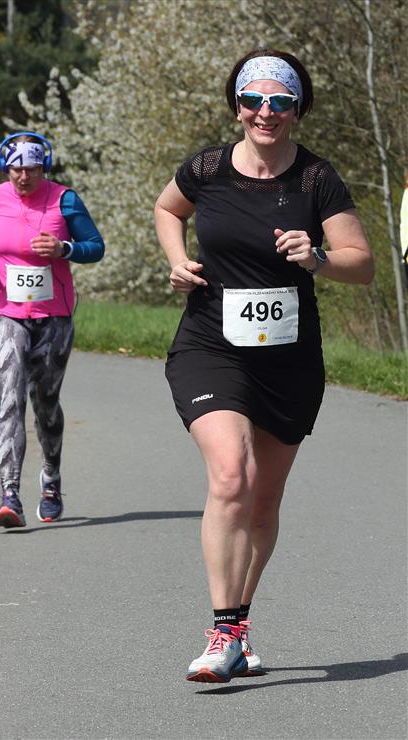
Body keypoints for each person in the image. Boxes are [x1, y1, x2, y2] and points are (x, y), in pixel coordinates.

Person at [154, 49, 374, 683]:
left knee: (263, 500)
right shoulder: (206, 168)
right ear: (237, 107)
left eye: (280, 102)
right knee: (232, 475)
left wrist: (319, 258)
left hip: (288, 360)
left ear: (297, 110)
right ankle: (222, 633)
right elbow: (168, 209)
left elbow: (362, 263)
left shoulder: (316, 179)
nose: (265, 112)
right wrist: (177, 260)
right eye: (253, 100)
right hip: (211, 344)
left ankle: (239, 625)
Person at [0, 131, 104, 528]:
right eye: (16, 169)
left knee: (45, 401)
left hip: (53, 315)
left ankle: (51, 479)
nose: (24, 177)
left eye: (32, 169)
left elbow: (95, 246)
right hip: (4, 310)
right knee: (10, 397)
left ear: (44, 167)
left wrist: (65, 249)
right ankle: (9, 494)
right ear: (5, 168)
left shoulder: (65, 200)